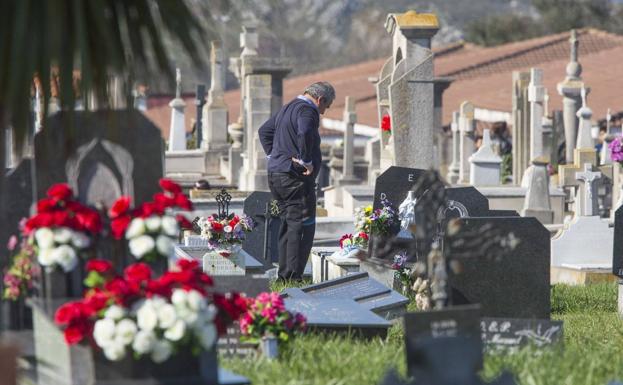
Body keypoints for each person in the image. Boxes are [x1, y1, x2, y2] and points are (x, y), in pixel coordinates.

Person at [258, 81, 335, 281]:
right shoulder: (307, 111)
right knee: (299, 226)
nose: (324, 112)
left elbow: (264, 131)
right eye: (326, 106)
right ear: (320, 99)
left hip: (277, 175)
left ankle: (284, 275)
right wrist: (305, 160)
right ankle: (292, 277)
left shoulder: (288, 108)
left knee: (288, 223)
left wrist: (275, 157)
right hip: (293, 178)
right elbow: (305, 132)